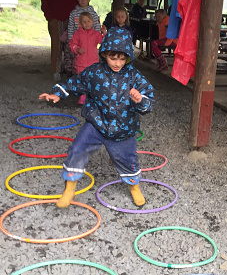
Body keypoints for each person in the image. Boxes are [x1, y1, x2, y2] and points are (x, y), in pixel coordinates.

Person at [38, 26, 154, 209]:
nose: (117, 63)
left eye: (122, 58)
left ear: (128, 57)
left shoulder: (134, 76)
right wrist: (58, 93)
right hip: (96, 123)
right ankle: (70, 188)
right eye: (113, 58)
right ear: (104, 54)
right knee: (77, 149)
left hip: (123, 128)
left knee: (127, 159)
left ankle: (134, 187)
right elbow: (75, 82)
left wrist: (140, 100)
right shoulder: (94, 72)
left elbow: (149, 101)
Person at [41, 0, 78, 80]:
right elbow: (45, 1)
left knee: (69, 46)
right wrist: (49, 17)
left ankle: (69, 69)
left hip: (70, 19)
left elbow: (77, 1)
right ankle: (56, 70)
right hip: (55, 19)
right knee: (56, 45)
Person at [69, 12, 104, 105]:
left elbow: (103, 41)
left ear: (93, 22)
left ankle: (92, 96)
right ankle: (83, 95)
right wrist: (77, 49)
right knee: (83, 80)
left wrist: (104, 33)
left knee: (93, 80)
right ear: (80, 23)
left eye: (88, 21)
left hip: (93, 63)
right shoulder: (77, 33)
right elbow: (72, 44)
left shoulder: (96, 34)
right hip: (81, 63)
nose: (87, 23)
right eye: (84, 22)